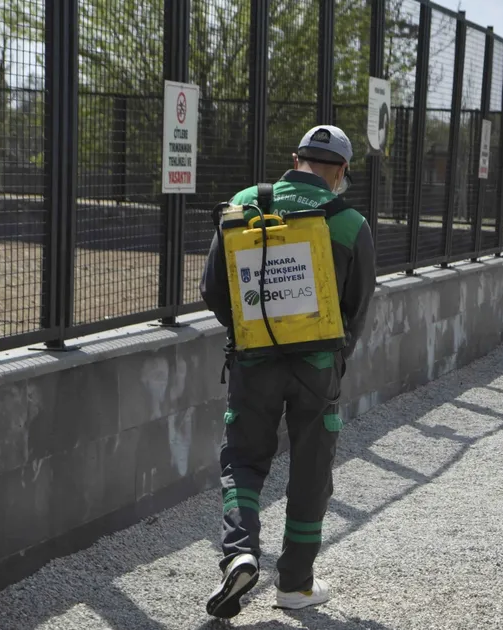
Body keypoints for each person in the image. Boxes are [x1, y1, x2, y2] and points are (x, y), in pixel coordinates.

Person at [200, 125, 376, 619]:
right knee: (311, 469)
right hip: (317, 368)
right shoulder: (349, 223)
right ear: (340, 172)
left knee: (243, 459)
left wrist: (252, 332)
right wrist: (334, 359)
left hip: (253, 362)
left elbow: (214, 290)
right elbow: (357, 308)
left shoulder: (244, 204)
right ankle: (295, 585)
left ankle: (239, 552)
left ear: (294, 158)